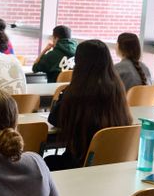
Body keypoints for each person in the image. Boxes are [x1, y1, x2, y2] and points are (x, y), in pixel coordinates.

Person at [46, 40, 132, 170]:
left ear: (79, 63)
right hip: (111, 164)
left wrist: (64, 94)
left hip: (80, 163)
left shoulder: (77, 92)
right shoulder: (117, 88)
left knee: (47, 162)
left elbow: (54, 119)